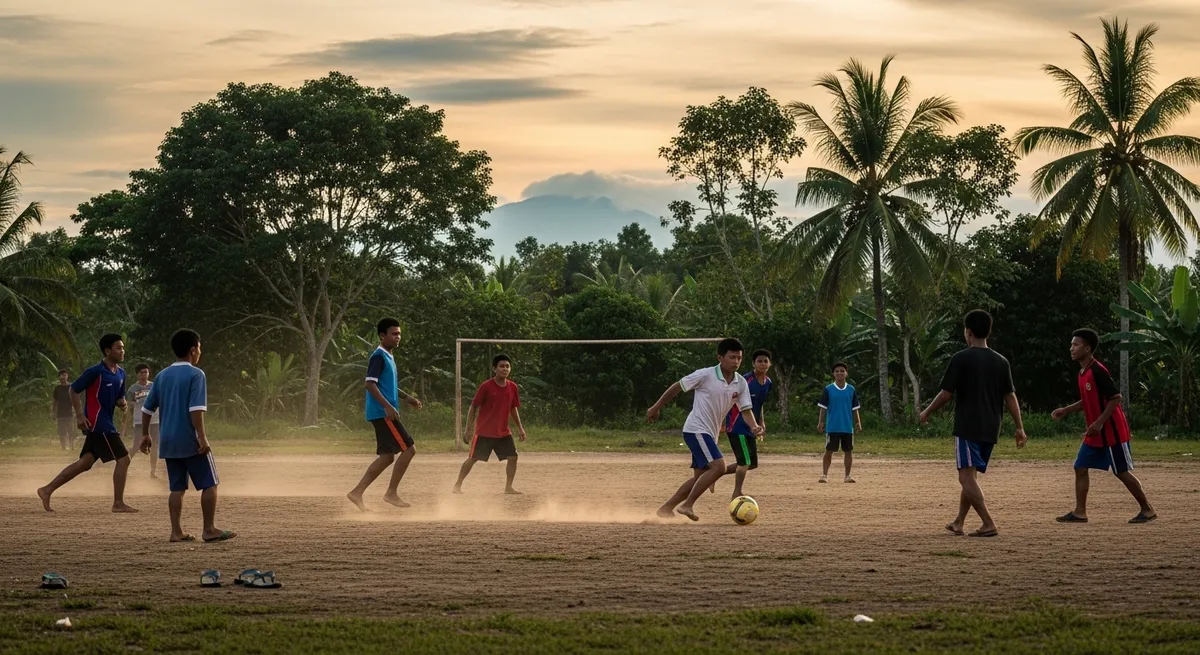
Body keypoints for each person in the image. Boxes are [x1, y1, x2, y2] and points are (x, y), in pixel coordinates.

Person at [919, 310, 1027, 538]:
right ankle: (959, 521)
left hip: (967, 426)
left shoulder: (961, 358)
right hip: (991, 427)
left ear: (968, 332)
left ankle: (988, 523)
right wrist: (1019, 427)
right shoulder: (1001, 361)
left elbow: (946, 394)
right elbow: (1010, 396)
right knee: (971, 476)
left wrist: (926, 412)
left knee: (965, 477)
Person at [647, 338, 763, 521]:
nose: (736, 362)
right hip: (696, 429)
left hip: (711, 433)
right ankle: (687, 505)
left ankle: (666, 508)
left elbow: (746, 410)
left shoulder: (740, 383)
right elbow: (677, 387)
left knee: (699, 478)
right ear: (720, 357)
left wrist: (755, 426)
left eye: (739, 358)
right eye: (732, 357)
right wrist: (656, 407)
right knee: (719, 467)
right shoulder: (705, 375)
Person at [1051, 328, 1156, 524]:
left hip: (1111, 432)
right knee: (1080, 467)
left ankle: (1147, 509)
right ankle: (1080, 512)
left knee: (1121, 471)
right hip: (1095, 433)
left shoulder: (1098, 370)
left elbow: (1115, 398)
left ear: (1087, 348)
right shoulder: (1083, 372)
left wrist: (1099, 423)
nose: (1071, 348)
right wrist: (1066, 410)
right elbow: (1087, 400)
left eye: (1076, 345)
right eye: (1071, 344)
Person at [140, 329, 235, 542]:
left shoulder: (162, 376)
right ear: (192, 350)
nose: (200, 352)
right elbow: (196, 410)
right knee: (210, 484)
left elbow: (146, 410)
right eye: (199, 347)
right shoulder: (196, 374)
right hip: (189, 439)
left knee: (177, 488)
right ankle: (209, 529)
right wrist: (202, 437)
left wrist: (145, 434)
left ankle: (176, 532)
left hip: (168, 441)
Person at [37, 334, 136, 513]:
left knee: (85, 463)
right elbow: (73, 390)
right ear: (107, 351)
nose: (122, 351)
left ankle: (47, 489)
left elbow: (119, 397)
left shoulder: (121, 373)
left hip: (105, 422)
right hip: (99, 423)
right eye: (118, 348)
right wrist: (80, 415)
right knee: (124, 459)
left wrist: (121, 403)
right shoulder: (96, 371)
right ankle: (118, 503)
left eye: (123, 347)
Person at [346, 317, 423, 512]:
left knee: (387, 457)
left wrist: (408, 398)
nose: (398, 337)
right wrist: (388, 407)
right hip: (383, 413)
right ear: (382, 335)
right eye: (394, 334)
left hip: (383, 412)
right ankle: (391, 493)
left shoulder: (388, 356)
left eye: (399, 334)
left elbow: (389, 385)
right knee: (409, 449)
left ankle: (356, 493)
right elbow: (369, 383)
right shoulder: (378, 356)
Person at [454, 354, 526, 495]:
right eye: (501, 366)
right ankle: (457, 485)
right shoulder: (486, 386)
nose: (504, 369)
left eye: (507, 366)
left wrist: (520, 428)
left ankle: (508, 487)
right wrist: (467, 429)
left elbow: (513, 408)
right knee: (473, 459)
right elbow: (473, 407)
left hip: (503, 432)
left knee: (513, 457)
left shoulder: (512, 387)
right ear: (494, 369)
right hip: (484, 432)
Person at [722, 348, 772, 499]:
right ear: (753, 363)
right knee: (744, 462)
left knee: (752, 464)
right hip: (737, 426)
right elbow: (732, 401)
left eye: (765, 361)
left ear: (770, 364)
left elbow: (760, 404)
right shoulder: (745, 381)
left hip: (752, 427)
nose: (763, 364)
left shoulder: (768, 382)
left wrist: (761, 422)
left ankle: (715, 472)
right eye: (759, 361)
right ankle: (736, 492)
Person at [817, 362, 862, 483]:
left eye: (842, 371)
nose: (839, 373)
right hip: (832, 426)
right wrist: (821, 422)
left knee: (848, 451)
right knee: (829, 451)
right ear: (833, 374)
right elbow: (823, 408)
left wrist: (858, 422)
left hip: (847, 427)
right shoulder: (828, 389)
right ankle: (824, 475)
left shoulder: (851, 389)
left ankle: (847, 476)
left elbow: (855, 409)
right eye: (837, 371)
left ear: (846, 373)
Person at [122, 363, 161, 479]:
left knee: (155, 445)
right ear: (137, 374)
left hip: (154, 419)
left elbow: (160, 400)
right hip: (140, 420)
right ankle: (124, 466)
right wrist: (126, 421)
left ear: (149, 373)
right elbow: (129, 405)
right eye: (141, 372)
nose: (144, 374)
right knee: (136, 445)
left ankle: (153, 471)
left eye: (146, 372)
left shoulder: (154, 386)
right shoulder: (133, 389)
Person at [51, 368, 74, 451]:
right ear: (59, 378)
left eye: (64, 375)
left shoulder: (72, 387)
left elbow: (76, 399)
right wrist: (53, 411)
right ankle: (63, 447)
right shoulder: (57, 389)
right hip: (60, 413)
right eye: (61, 375)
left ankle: (72, 446)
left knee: (71, 431)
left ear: (67, 376)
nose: (63, 377)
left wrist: (77, 410)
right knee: (61, 432)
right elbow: (54, 401)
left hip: (70, 412)